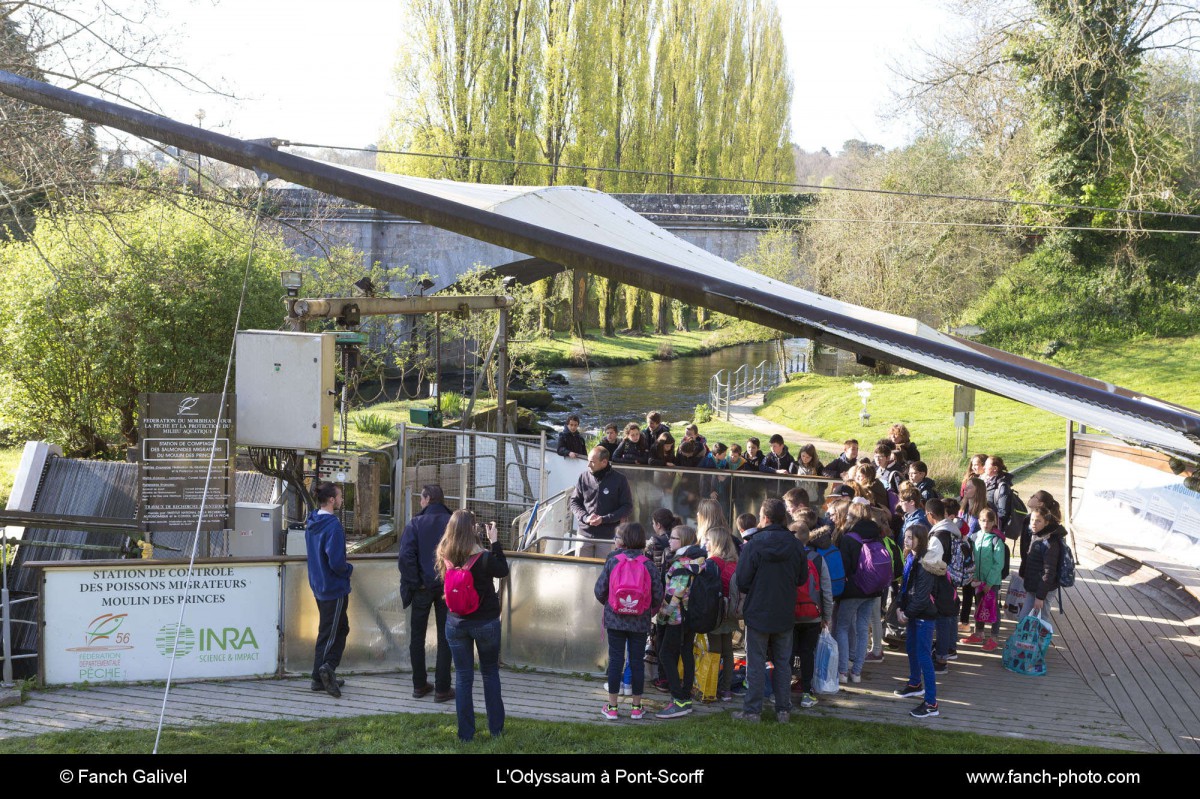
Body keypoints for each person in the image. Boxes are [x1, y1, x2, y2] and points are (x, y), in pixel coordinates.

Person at [732, 498, 806, 723]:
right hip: (783, 610)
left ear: (764, 517)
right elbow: (801, 578)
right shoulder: (794, 544)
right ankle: (783, 710)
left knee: (755, 662)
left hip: (758, 610)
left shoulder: (754, 543)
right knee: (783, 663)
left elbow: (742, 580)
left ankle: (752, 711)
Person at [437, 509, 509, 742]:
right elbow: (503, 570)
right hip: (486, 622)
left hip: (456, 623)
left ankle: (466, 734)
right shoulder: (484, 557)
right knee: (490, 674)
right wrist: (494, 541)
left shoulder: (443, 554)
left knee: (463, 677)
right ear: (473, 529)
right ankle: (496, 730)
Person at [595, 521, 663, 721]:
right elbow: (658, 595)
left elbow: (599, 591)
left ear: (623, 540)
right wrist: (645, 609)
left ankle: (612, 707)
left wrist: (611, 605)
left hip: (615, 620)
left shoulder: (613, 561)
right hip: (640, 622)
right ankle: (636, 708)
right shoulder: (648, 565)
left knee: (616, 661)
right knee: (636, 662)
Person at [398, 483, 454, 702]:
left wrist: (416, 582)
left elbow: (406, 557)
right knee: (445, 637)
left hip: (421, 589)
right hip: (447, 588)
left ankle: (419, 685)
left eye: (421, 498)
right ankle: (442, 688)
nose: (420, 502)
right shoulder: (453, 523)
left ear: (428, 498)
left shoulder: (415, 523)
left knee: (417, 637)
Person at [835, 498, 899, 683]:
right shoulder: (877, 534)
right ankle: (857, 672)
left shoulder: (848, 538)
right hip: (873, 590)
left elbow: (845, 568)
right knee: (864, 628)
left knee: (843, 627)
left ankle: (842, 673)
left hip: (853, 590)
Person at [306, 482, 352, 698]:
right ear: (332, 500)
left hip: (318, 583)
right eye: (340, 496)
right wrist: (348, 569)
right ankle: (323, 671)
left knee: (337, 628)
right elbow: (336, 561)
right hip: (334, 586)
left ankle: (324, 673)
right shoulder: (332, 525)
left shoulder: (313, 520)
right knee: (332, 631)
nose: (342, 499)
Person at [655, 524, 706, 718]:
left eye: (674, 537)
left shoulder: (681, 565)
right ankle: (685, 696)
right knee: (685, 653)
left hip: (676, 618)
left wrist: (660, 618)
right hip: (691, 616)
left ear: (683, 541)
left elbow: (673, 596)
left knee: (666, 655)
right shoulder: (698, 561)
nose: (669, 540)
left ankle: (679, 700)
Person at [895, 523, 941, 718]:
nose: (906, 540)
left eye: (910, 538)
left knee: (924, 656)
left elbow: (922, 596)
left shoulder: (926, 563)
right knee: (911, 648)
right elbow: (904, 586)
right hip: (912, 612)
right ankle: (915, 684)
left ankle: (931, 704)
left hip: (923, 615)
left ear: (920, 540)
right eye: (905, 536)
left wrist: (906, 614)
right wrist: (899, 606)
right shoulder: (911, 556)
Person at [792, 523, 832, 710]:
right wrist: (827, 615)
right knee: (808, 653)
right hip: (812, 615)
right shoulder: (817, 559)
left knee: (787, 653)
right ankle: (807, 693)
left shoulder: (787, 556)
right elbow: (826, 589)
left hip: (789, 615)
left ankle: (780, 691)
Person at [568, 446, 634, 558]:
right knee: (581, 570)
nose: (588, 465)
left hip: (608, 537)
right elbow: (574, 502)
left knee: (605, 572)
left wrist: (604, 519)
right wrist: (585, 517)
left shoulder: (620, 479)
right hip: (584, 535)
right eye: (588, 461)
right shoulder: (583, 477)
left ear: (604, 462)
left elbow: (627, 507)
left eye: (592, 462)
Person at [702, 524, 740, 702]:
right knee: (728, 650)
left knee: (714, 649)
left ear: (715, 543)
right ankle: (726, 690)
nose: (705, 543)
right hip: (731, 611)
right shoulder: (735, 563)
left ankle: (711, 687)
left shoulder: (711, 563)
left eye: (708, 540)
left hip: (714, 612)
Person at [962, 508, 1009, 651]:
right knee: (979, 606)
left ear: (994, 522)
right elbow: (972, 559)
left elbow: (998, 564)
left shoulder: (996, 540)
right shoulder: (975, 537)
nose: (986, 524)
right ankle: (979, 633)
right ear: (979, 521)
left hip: (991, 582)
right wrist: (973, 576)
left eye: (989, 521)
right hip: (978, 580)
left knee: (993, 607)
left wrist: (989, 582)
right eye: (983, 521)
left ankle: (994, 637)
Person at [1019, 505, 1067, 624]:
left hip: (1044, 590)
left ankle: (1041, 642)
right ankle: (1026, 642)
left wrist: (1040, 597)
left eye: (1038, 521)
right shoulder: (1036, 536)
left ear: (1046, 523)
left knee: (1042, 619)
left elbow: (1049, 572)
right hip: (1034, 586)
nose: (1034, 523)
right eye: (1032, 520)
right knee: (1024, 619)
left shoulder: (1049, 543)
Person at [984, 456, 1015, 531]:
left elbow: (1003, 512)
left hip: (992, 528)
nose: (984, 467)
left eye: (986, 465)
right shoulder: (986, 481)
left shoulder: (1002, 486)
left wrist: (991, 525)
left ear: (995, 468)